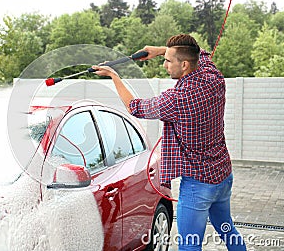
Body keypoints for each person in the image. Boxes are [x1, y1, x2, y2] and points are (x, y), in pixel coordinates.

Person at [93, 34, 247, 251]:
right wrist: (158, 50)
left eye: (168, 60)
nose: (164, 64)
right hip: (223, 175)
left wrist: (113, 76)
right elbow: (199, 53)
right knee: (227, 229)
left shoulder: (177, 99)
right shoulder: (213, 77)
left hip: (198, 184)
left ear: (184, 65)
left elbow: (135, 107)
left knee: (189, 246)